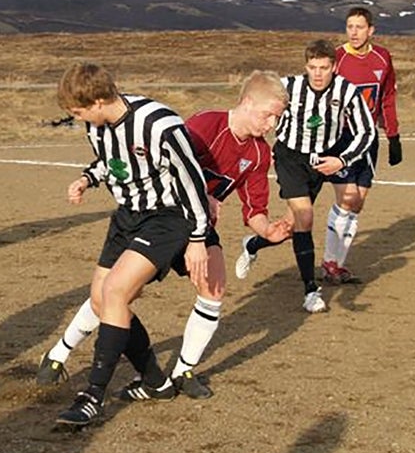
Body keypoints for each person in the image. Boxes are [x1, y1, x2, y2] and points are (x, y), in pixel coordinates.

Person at [37, 71, 293, 399]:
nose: (271, 124)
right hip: (166, 217)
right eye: (267, 115)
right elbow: (161, 164)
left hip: (198, 225)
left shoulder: (259, 154)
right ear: (246, 103)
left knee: (213, 288)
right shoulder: (204, 126)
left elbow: (254, 210)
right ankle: (61, 352)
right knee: (117, 293)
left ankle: (182, 370)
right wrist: (204, 196)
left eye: (277, 118)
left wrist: (268, 230)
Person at [49, 62, 211, 428]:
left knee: (117, 292)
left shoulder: (161, 125)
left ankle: (93, 395)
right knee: (100, 300)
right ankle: (155, 381)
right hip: (127, 216)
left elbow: (192, 180)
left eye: (78, 111)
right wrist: (87, 178)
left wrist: (198, 238)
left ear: (100, 99)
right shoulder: (96, 126)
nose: (77, 119)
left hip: (168, 217)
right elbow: (112, 162)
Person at [261, 39, 376, 313]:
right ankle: (310, 290)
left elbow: (367, 132)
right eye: (313, 67)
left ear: (333, 67)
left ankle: (253, 243)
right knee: (305, 217)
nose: (318, 74)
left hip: (321, 159)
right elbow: (262, 111)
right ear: (305, 66)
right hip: (289, 157)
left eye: (324, 67)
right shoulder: (289, 87)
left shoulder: (347, 91)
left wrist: (341, 160)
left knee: (292, 224)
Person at [321, 7, 402, 283]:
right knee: (347, 198)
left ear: (371, 30)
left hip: (368, 139)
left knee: (358, 204)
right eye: (349, 27)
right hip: (341, 138)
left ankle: (337, 266)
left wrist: (393, 136)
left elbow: (388, 97)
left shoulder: (383, 57)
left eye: (359, 27)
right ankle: (329, 262)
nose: (353, 32)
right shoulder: (337, 58)